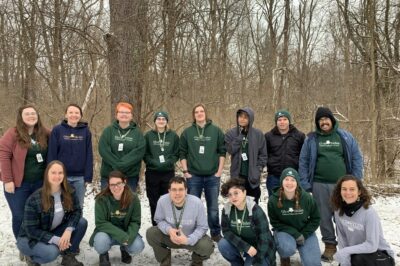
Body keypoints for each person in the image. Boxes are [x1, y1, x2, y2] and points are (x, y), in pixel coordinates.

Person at [299, 106, 363, 261]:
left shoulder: (345, 137)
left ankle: (348, 246)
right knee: (324, 216)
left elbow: (356, 158)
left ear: (332, 120)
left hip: (342, 186)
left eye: (326, 119)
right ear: (317, 122)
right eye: (320, 120)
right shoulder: (312, 138)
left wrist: (356, 181)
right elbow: (303, 161)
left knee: (344, 215)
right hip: (319, 184)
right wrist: (305, 183)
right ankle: (330, 246)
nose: (324, 122)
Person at [16, 160, 87, 266]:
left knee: (81, 223)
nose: (57, 176)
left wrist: (68, 230)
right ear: (47, 174)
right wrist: (55, 240)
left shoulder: (69, 191)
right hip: (29, 238)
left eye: (60, 173)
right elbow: (31, 230)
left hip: (51, 230)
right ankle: (31, 257)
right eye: (53, 173)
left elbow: (76, 211)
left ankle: (68, 256)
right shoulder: (34, 199)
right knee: (52, 252)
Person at [0, 105, 50, 240]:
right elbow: (3, 156)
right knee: (19, 216)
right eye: (27, 114)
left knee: (36, 215)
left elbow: (58, 139)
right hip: (18, 184)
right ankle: (23, 244)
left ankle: (36, 241)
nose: (31, 116)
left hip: (39, 183)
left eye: (33, 113)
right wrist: (8, 180)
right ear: (21, 117)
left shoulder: (43, 132)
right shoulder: (13, 133)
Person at [179, 103, 226, 241]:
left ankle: (216, 233)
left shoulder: (216, 131)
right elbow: (182, 152)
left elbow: (222, 151)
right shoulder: (187, 132)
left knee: (213, 208)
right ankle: (194, 232)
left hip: (212, 176)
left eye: (201, 111)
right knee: (193, 208)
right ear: (194, 115)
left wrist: (219, 171)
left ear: (205, 113)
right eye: (196, 112)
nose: (199, 114)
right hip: (194, 176)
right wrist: (186, 171)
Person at [146, 176, 214, 266]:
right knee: (151, 233)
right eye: (174, 189)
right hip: (170, 237)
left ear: (186, 190)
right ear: (169, 191)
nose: (177, 193)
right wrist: (169, 230)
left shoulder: (196, 203)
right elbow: (159, 220)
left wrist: (188, 240)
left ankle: (197, 260)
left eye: (181, 189)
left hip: (190, 238)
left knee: (207, 246)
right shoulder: (162, 201)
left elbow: (202, 227)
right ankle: (164, 258)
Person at [331, 175, 395, 266]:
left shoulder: (369, 212)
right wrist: (345, 260)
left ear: (359, 192)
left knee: (359, 259)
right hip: (355, 254)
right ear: (340, 191)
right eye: (344, 189)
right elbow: (342, 240)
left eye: (352, 189)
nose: (348, 192)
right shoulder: (338, 211)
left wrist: (346, 251)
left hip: (380, 255)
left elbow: (372, 245)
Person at [268, 168, 321, 266]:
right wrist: (295, 234)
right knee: (286, 248)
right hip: (284, 232)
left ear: (297, 182)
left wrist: (304, 234)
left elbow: (316, 218)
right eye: (286, 179)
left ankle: (305, 251)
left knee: (313, 263)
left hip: (305, 231)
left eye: (293, 180)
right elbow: (274, 222)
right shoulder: (273, 200)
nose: (289, 183)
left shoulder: (307, 198)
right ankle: (284, 257)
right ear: (281, 182)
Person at [90, 170, 144, 266]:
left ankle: (124, 249)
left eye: (118, 183)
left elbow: (135, 221)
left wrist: (128, 237)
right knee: (100, 242)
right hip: (107, 233)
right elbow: (101, 223)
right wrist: (121, 236)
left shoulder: (133, 198)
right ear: (109, 185)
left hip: (126, 232)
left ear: (124, 182)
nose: (115, 187)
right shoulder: (101, 199)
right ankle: (103, 254)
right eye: (112, 184)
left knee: (137, 246)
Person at [218, 178, 276, 266]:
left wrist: (258, 261)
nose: (233, 197)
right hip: (244, 246)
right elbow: (226, 231)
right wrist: (246, 247)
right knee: (223, 244)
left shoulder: (255, 210)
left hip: (259, 248)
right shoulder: (227, 209)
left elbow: (264, 239)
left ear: (244, 192)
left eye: (236, 193)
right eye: (230, 195)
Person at [48, 104, 93, 208]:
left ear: (80, 115)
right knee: (60, 206)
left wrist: (88, 177)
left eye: (77, 113)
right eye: (71, 112)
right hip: (60, 176)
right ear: (66, 114)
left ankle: (76, 225)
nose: (74, 115)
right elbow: (52, 153)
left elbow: (89, 155)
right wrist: (51, 174)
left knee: (78, 206)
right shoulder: (57, 130)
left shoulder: (85, 131)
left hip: (80, 178)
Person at [98, 102, 145, 191]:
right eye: (121, 112)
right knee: (107, 203)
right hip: (109, 175)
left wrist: (121, 165)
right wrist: (117, 165)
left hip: (129, 177)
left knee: (128, 203)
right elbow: (103, 150)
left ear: (131, 116)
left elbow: (139, 152)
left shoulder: (137, 133)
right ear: (116, 115)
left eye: (127, 112)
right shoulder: (108, 131)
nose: (124, 114)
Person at [144, 111, 179, 226]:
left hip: (168, 173)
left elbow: (176, 153)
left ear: (166, 121)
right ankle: (156, 226)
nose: (161, 121)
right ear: (155, 121)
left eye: (163, 119)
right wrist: (154, 163)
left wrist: (168, 162)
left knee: (168, 201)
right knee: (153, 201)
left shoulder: (173, 136)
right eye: (158, 119)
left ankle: (169, 226)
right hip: (152, 173)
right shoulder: (148, 136)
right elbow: (145, 154)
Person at [225, 107, 267, 203]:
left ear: (250, 119)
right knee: (237, 204)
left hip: (252, 177)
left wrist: (258, 169)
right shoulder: (231, 133)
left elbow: (263, 155)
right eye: (240, 116)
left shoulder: (258, 134)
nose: (242, 119)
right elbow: (230, 150)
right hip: (237, 176)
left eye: (245, 117)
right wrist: (240, 136)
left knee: (252, 206)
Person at [265, 109, 305, 196]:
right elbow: (264, 155)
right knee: (274, 203)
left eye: (285, 119)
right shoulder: (268, 136)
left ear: (289, 121)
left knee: (293, 204)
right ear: (276, 122)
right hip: (274, 177)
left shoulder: (299, 136)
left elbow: (303, 157)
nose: (282, 122)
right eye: (279, 120)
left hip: (293, 177)